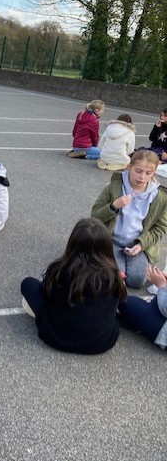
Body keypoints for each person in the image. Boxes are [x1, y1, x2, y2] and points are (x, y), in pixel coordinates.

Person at [20, 217, 126, 355]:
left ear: (73, 243)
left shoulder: (61, 268)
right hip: (102, 342)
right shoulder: (113, 274)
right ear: (107, 247)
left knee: (28, 283)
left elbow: (45, 292)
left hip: (58, 337)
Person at [91, 150, 167, 288]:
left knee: (137, 280)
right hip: (112, 241)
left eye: (148, 173)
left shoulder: (159, 197)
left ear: (154, 173)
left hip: (137, 245)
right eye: (138, 171)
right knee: (115, 277)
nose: (142, 177)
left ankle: (135, 260)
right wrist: (114, 206)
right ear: (129, 167)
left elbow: (160, 228)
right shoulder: (114, 186)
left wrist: (141, 245)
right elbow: (95, 215)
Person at [118, 265, 167, 350]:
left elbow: (165, 308)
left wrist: (162, 285)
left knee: (125, 302)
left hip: (163, 326)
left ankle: (140, 325)